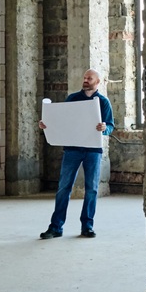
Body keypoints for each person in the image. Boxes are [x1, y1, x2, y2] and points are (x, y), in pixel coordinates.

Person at [40, 68, 113, 239]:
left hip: (93, 151)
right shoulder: (72, 99)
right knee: (63, 188)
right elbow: (61, 121)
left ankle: (87, 226)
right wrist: (47, 125)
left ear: (98, 81)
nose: (86, 80)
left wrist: (104, 128)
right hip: (72, 149)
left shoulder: (103, 102)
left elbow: (110, 126)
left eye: (90, 78)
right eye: (85, 77)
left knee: (92, 189)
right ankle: (56, 227)